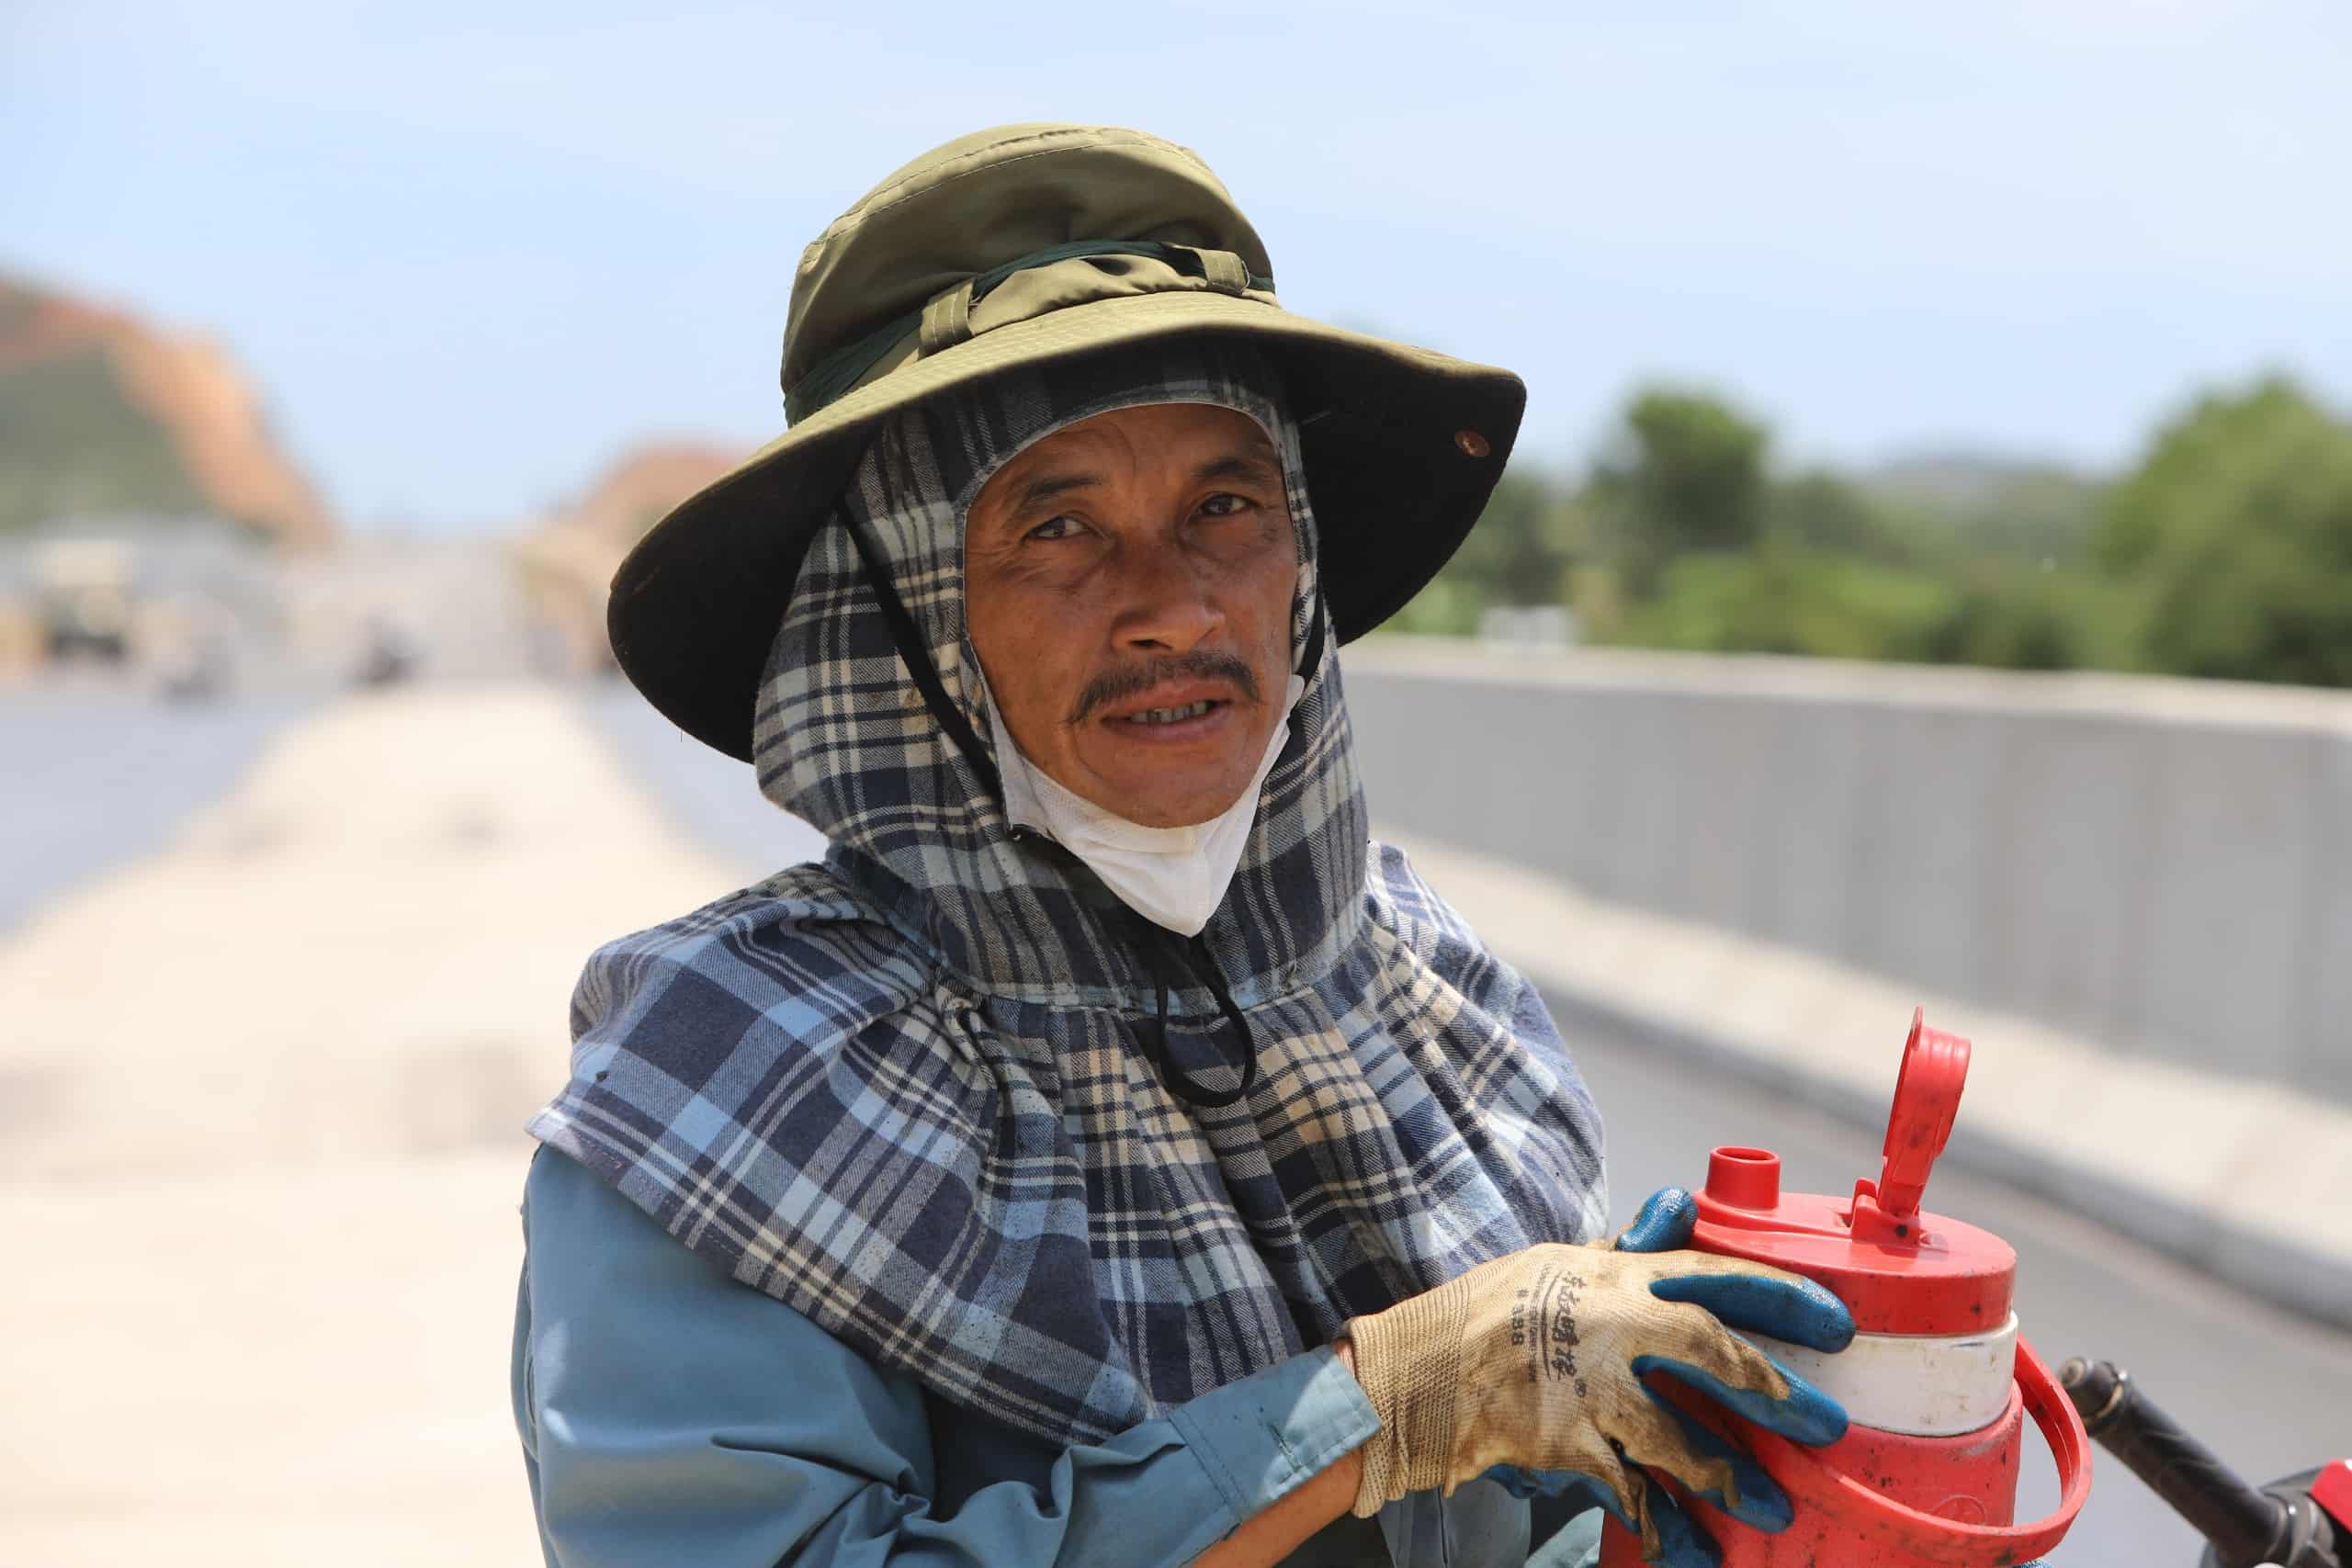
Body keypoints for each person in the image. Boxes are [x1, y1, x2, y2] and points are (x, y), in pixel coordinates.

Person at [510, 123, 1856, 1568]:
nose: (1172, 606)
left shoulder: (1429, 1009)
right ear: (904, 620)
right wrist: (1384, 1407)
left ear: (1302, 563)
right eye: (1057, 529)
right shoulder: (731, 1087)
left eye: (1225, 506)